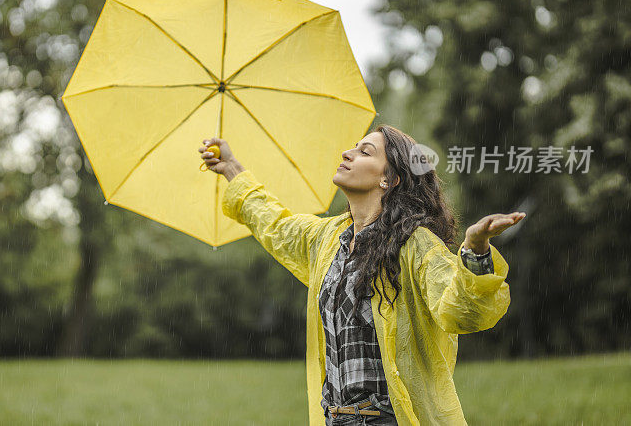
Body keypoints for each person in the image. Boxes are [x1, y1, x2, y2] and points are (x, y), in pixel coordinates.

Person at [198, 124, 525, 425]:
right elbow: (275, 224)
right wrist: (231, 168)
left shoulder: (414, 245)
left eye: (365, 151)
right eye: (354, 147)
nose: (347, 153)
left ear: (390, 179)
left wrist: (476, 249)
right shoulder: (325, 239)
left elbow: (461, 312)